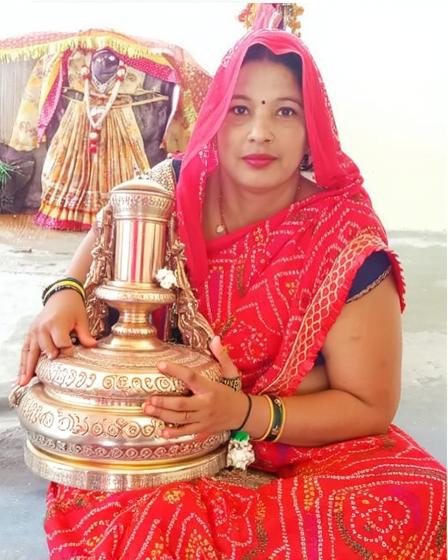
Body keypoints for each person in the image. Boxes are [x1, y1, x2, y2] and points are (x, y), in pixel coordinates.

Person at [17, 28, 446, 559]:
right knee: (140, 502)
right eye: (241, 110)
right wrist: (63, 294)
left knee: (417, 495)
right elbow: (103, 239)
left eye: (285, 112)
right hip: (164, 436)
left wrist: (241, 412)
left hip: (290, 436)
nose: (260, 133)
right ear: (215, 120)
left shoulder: (342, 236)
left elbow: (369, 405)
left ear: (313, 130)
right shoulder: (173, 186)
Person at [5, 29, 211, 230]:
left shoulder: (148, 55)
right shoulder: (65, 53)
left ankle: (120, 215)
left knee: (125, 175)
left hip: (122, 121)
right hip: (77, 119)